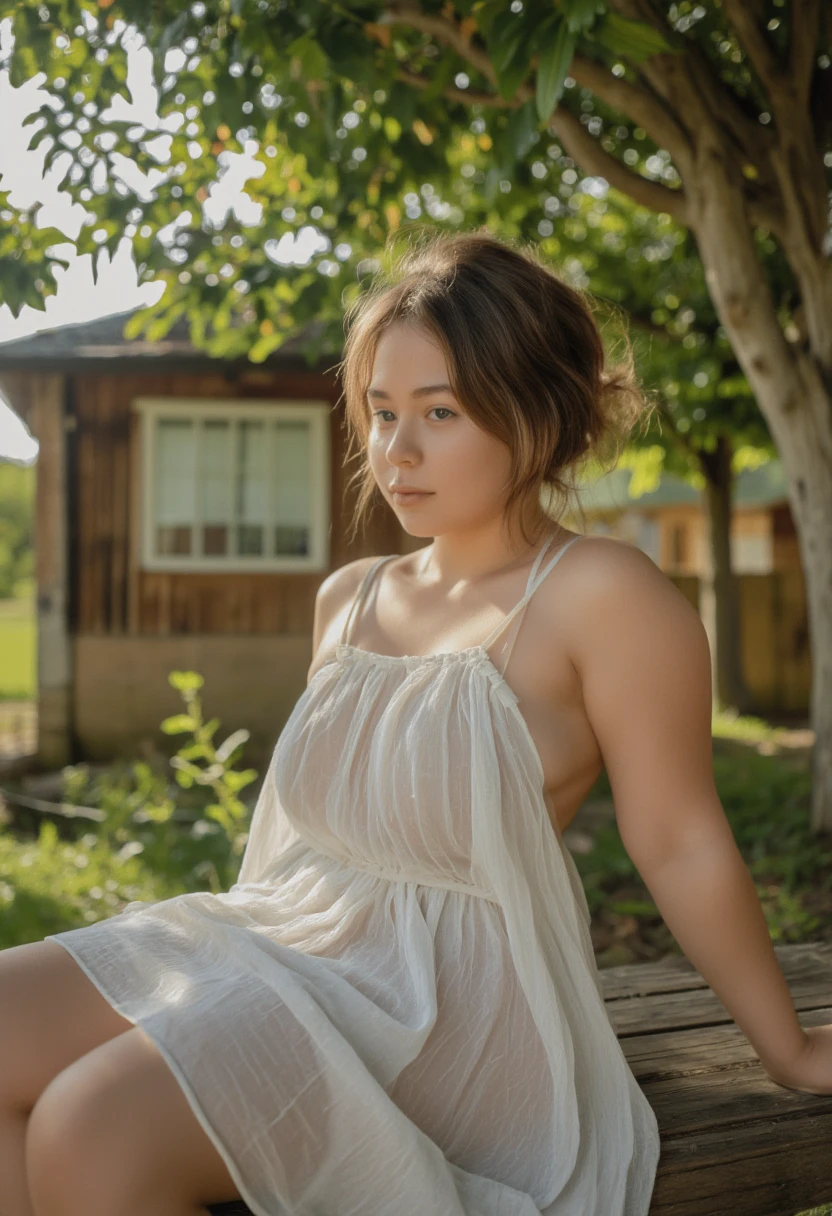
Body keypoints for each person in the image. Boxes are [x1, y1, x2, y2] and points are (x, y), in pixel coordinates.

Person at [1, 230, 829, 1216]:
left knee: (92, 1127)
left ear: (543, 413)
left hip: (449, 1003)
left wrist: (789, 1046)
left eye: (440, 412)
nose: (396, 450)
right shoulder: (351, 596)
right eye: (382, 412)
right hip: (292, 940)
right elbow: (314, 844)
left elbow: (680, 839)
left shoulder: (602, 595)